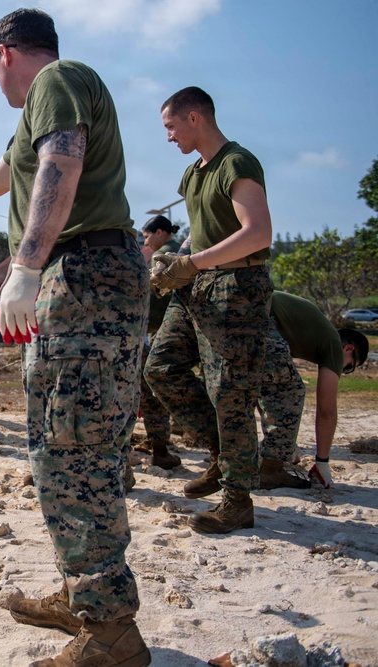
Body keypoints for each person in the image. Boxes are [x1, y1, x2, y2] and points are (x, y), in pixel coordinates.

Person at [0, 9, 151, 665]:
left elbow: (61, 161)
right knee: (62, 443)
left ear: (3, 54)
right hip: (77, 277)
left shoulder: (58, 79)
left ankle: (110, 630)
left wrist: (23, 268)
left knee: (73, 446)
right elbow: (4, 176)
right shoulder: (37, 111)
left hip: (82, 274)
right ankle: (84, 592)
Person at [144, 86, 274, 535]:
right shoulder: (192, 173)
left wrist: (191, 263)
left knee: (230, 392)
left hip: (237, 286)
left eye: (170, 126)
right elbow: (199, 237)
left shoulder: (236, 163)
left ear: (194, 117)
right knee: (159, 368)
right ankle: (223, 454)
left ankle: (238, 499)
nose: (168, 136)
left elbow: (258, 233)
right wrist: (172, 263)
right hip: (198, 286)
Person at [257, 292, 369, 489]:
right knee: (292, 391)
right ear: (349, 349)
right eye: (350, 367)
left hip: (233, 305)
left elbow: (266, 394)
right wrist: (322, 464)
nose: (344, 370)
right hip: (259, 313)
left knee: (243, 390)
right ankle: (270, 471)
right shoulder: (334, 343)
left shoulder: (312, 331)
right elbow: (327, 411)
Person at [136, 215, 182, 469]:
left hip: (147, 326)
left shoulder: (161, 256)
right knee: (153, 393)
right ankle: (160, 449)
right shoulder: (180, 251)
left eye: (148, 235)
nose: (147, 241)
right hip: (169, 326)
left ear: (161, 232)